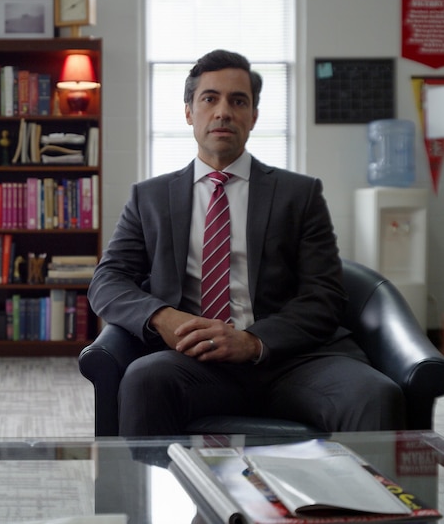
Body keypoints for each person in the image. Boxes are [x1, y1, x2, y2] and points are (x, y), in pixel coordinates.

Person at [87, 49, 405, 436]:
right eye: (210, 99)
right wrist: (163, 318)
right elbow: (107, 280)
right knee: (144, 379)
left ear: (253, 116)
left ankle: (355, 500)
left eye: (238, 101)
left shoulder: (299, 195)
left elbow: (324, 297)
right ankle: (143, 498)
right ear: (189, 112)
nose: (223, 111)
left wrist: (253, 342)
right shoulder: (150, 198)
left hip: (293, 360)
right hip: (193, 363)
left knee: (375, 395)